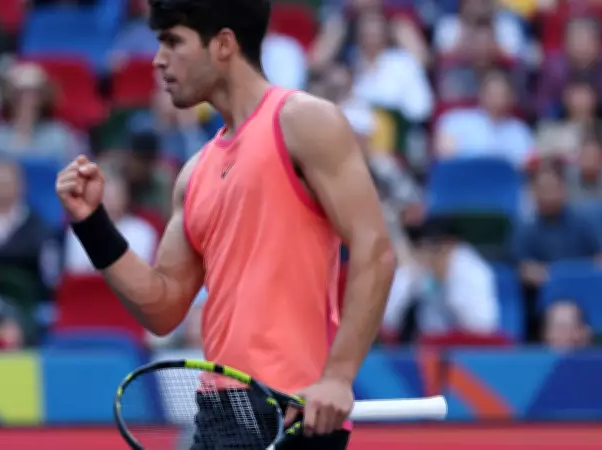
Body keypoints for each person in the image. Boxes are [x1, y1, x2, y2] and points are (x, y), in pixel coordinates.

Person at [55, 0, 396, 447]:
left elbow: (375, 250)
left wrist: (338, 377)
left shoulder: (304, 121)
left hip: (295, 411)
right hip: (220, 411)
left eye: (173, 42)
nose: (158, 59)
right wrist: (92, 224)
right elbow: (162, 307)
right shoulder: (193, 173)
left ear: (223, 45)